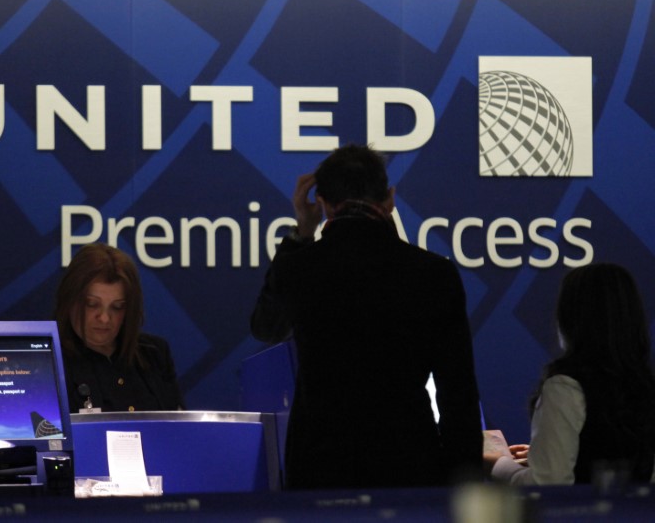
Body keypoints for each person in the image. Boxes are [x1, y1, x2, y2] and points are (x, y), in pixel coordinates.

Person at [250, 144, 483, 489]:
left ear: (323, 204)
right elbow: (458, 392)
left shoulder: (300, 267)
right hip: (408, 464)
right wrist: (464, 484)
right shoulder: (432, 273)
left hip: (319, 469)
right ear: (389, 198)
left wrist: (302, 231)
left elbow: (265, 327)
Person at [485, 263, 655, 485]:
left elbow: (547, 483)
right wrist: (546, 454)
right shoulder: (645, 385)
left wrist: (498, 463)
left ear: (570, 317)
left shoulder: (565, 388)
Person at [55, 243, 184, 413]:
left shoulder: (155, 353)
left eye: (117, 307)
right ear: (70, 300)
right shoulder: (48, 361)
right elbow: (42, 435)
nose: (104, 318)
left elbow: (178, 427)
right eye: (92, 304)